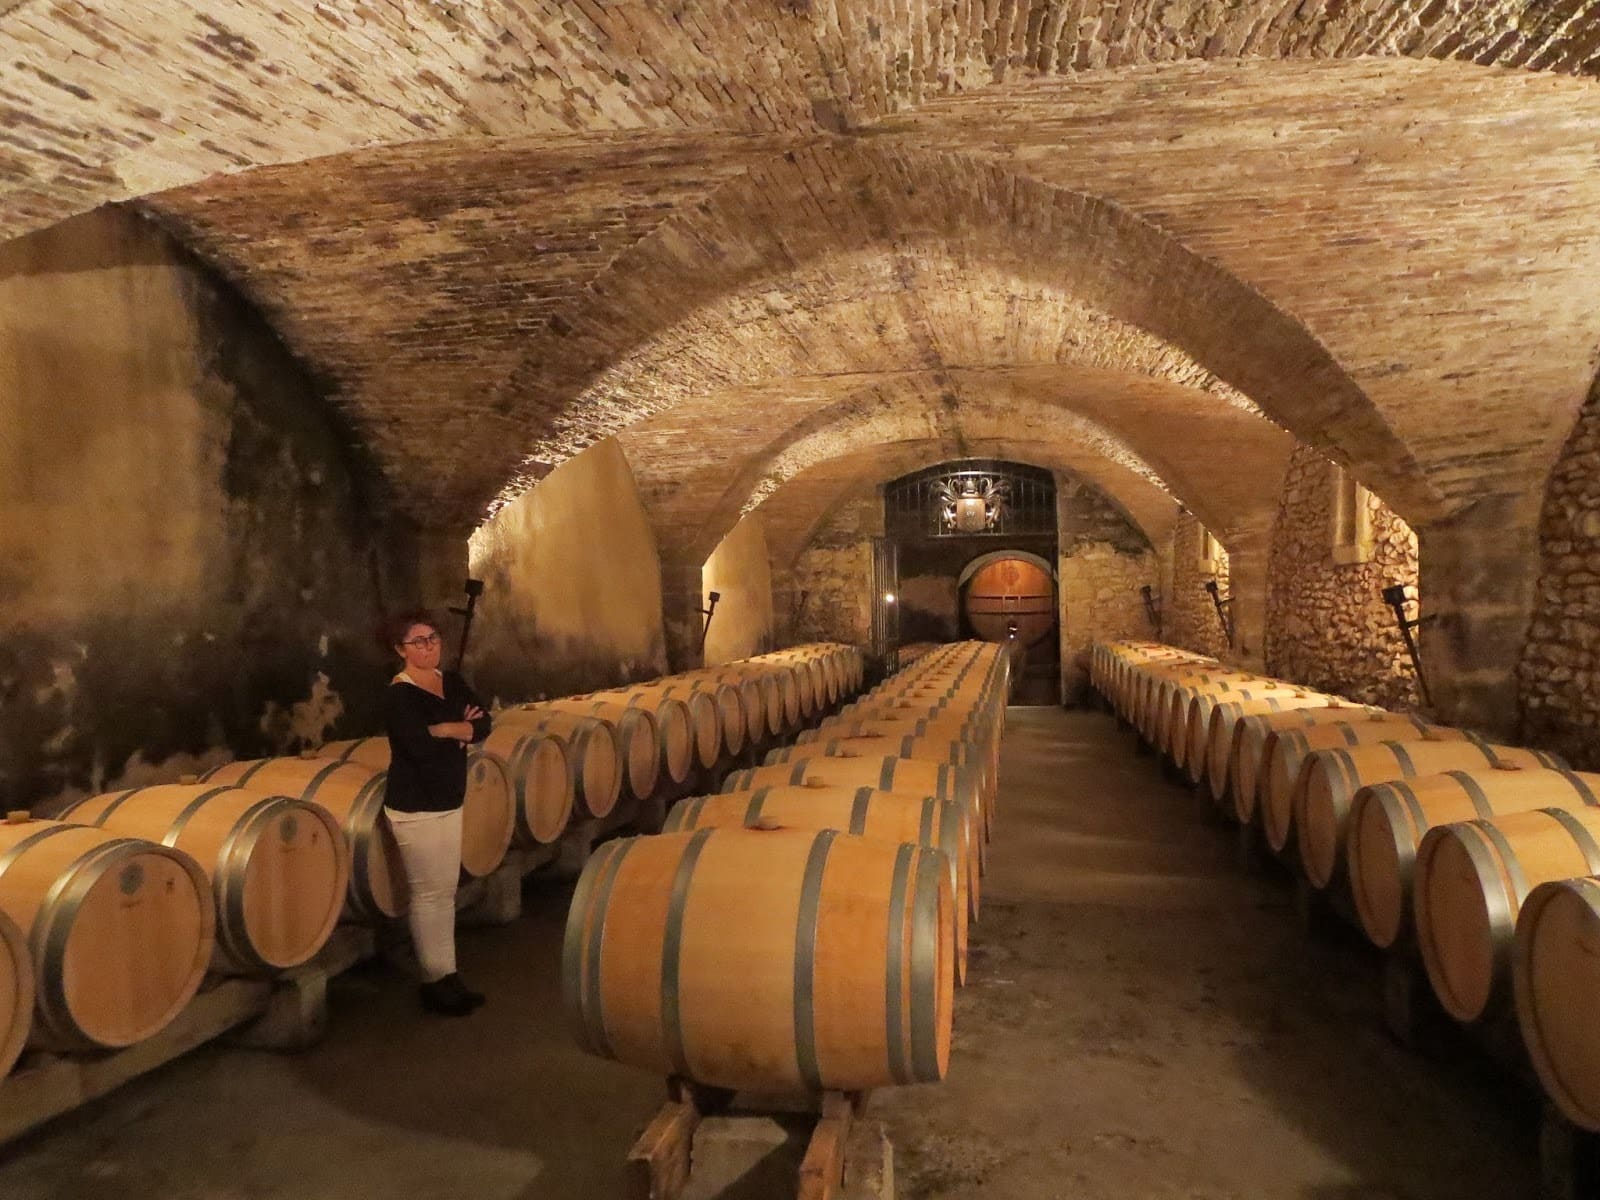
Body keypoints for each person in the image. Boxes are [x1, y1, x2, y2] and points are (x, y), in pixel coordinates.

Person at [383, 609, 493, 1017]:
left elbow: (484, 724)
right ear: (401, 650)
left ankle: (448, 974)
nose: (429, 647)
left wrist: (448, 729)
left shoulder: (454, 681)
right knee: (427, 894)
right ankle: (434, 980)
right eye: (418, 641)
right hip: (416, 806)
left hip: (449, 799)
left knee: (445, 892)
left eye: (433, 639)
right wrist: (453, 729)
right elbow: (419, 749)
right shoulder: (399, 695)